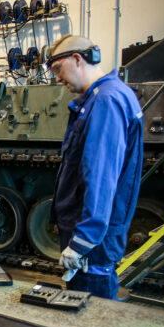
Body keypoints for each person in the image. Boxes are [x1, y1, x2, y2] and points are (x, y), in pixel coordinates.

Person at [45, 34, 143, 299]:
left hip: (92, 243)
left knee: (88, 313)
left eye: (57, 69)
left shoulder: (106, 101)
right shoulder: (101, 98)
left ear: (77, 59)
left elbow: (100, 178)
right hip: (90, 234)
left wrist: (81, 242)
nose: (56, 78)